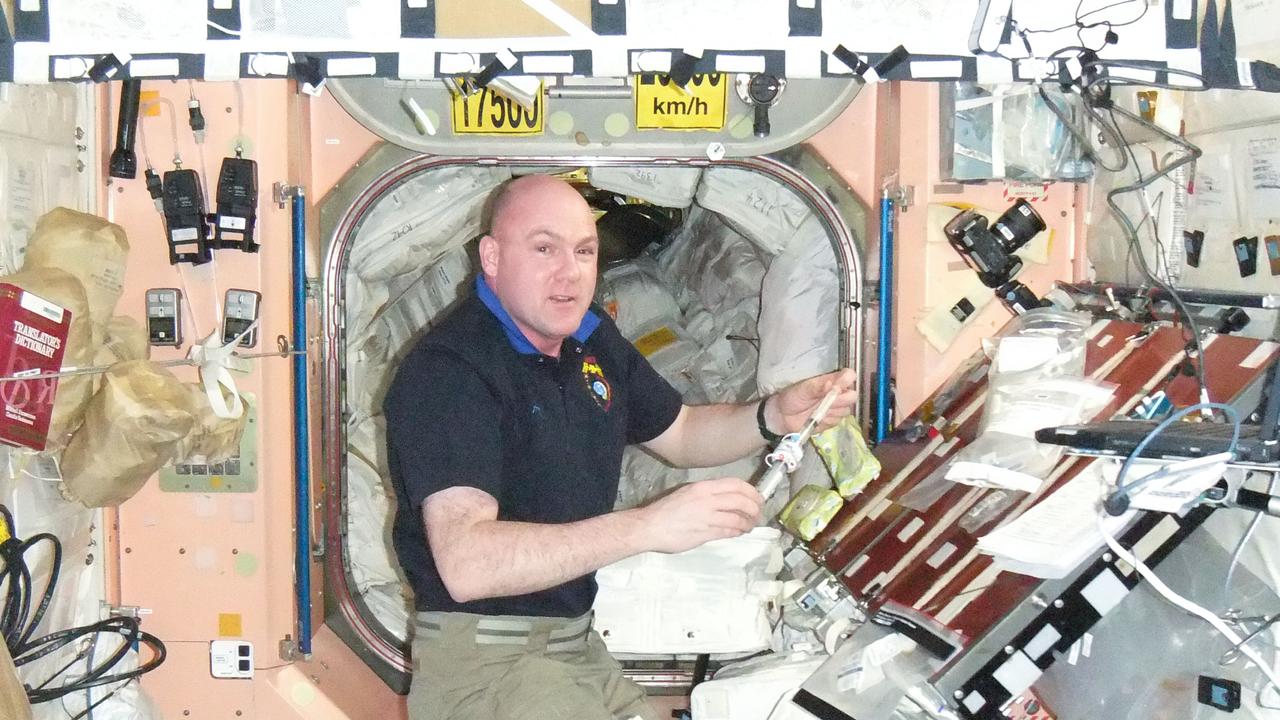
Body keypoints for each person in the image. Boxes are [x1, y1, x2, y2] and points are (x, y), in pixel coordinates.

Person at [384, 174, 857, 720]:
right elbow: (468, 565)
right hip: (491, 664)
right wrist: (647, 527)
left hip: (574, 645)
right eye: (544, 249)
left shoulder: (588, 340)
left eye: (584, 251)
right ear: (491, 256)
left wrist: (773, 416)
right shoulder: (452, 370)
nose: (569, 272)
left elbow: (679, 434)